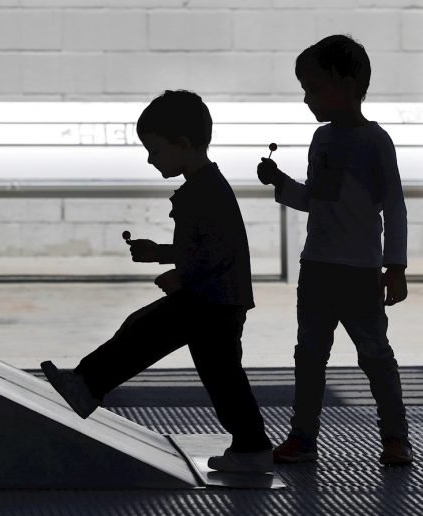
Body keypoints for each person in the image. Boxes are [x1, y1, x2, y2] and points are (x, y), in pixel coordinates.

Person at [42, 89, 273, 473]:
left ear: (182, 144)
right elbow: (205, 247)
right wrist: (160, 253)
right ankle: (251, 446)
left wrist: (180, 272)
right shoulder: (207, 187)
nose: (151, 160)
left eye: (155, 151)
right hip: (218, 301)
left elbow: (213, 253)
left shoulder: (202, 192)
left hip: (210, 301)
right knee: (221, 376)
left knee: (144, 332)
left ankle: (86, 386)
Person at [257, 35, 413, 466]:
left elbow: (395, 205)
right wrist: (281, 183)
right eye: (304, 89)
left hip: (359, 270)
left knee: (374, 355)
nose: (307, 99)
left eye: (314, 88)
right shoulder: (321, 140)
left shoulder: (374, 142)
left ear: (347, 83)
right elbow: (316, 198)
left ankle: (395, 437)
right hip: (318, 267)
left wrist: (395, 266)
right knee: (309, 355)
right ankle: (304, 438)